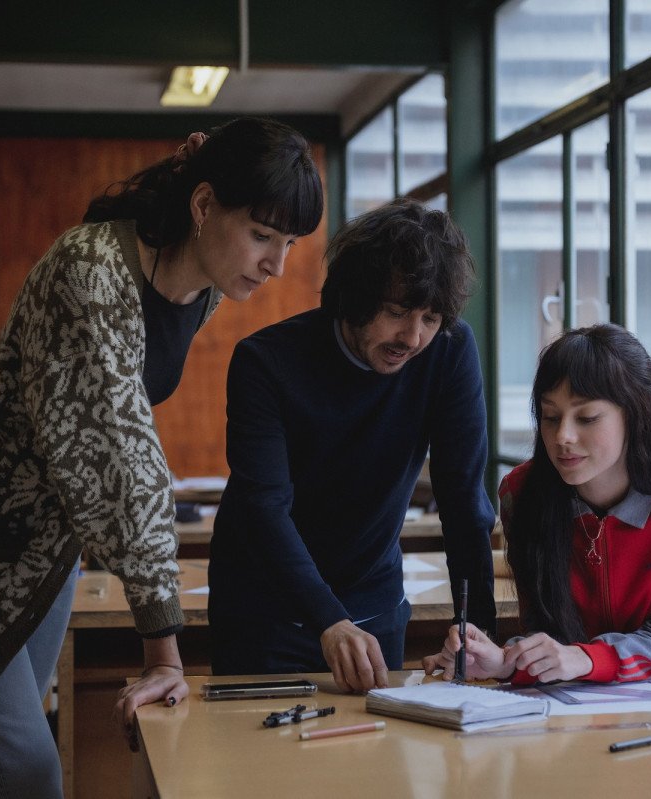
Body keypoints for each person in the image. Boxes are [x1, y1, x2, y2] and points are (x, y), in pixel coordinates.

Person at [0, 117, 322, 798]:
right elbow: (122, 453)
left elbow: (122, 440)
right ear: (203, 206)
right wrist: (161, 648)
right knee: (26, 768)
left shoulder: (201, 285)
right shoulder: (90, 271)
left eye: (290, 242)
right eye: (263, 236)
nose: (277, 265)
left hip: (46, 542)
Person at [207, 198, 497, 693]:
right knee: (259, 765)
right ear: (354, 298)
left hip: (373, 603)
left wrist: (479, 633)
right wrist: (328, 621)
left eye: (430, 317)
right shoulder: (266, 361)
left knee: (372, 763)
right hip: (264, 607)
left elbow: (463, 499)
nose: (413, 336)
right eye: (396, 312)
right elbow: (265, 508)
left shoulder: (448, 350)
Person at [424, 323, 651, 684]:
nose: (562, 436)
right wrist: (505, 660)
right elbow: (548, 632)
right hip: (592, 680)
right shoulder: (523, 496)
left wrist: (582, 658)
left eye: (586, 418)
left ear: (637, 415)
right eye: (550, 417)